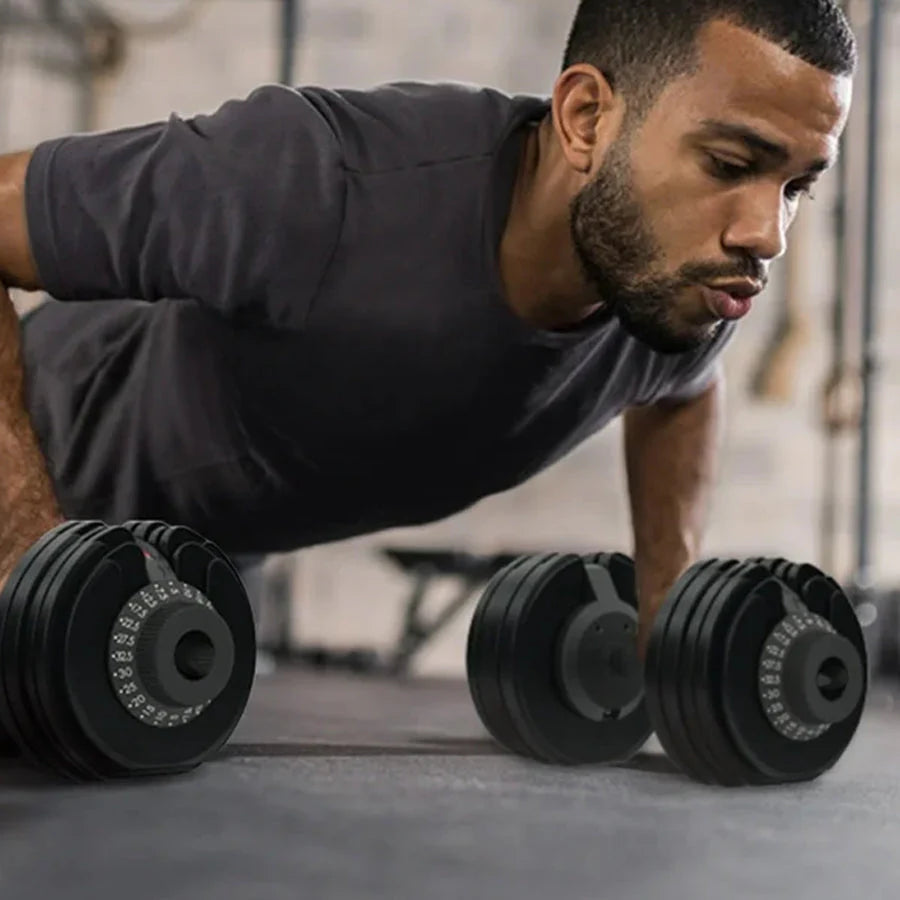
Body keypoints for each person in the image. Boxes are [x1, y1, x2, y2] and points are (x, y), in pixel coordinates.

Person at [0, 0, 855, 654]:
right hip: (36, 493)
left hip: (181, 578)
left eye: (796, 186)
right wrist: (30, 551)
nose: (766, 233)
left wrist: (669, 609)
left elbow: (683, 390)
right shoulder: (315, 181)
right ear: (588, 119)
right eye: (732, 165)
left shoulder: (677, 290)